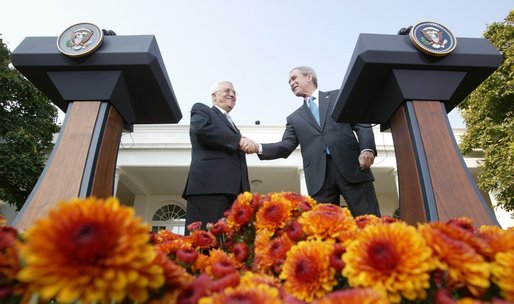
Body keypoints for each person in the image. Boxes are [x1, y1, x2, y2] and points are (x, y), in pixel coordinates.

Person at [244, 66, 381, 216]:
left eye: (294, 78)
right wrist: (258, 147)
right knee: (324, 228)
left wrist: (367, 149)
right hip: (319, 179)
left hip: (352, 167)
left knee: (369, 220)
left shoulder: (338, 96)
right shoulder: (294, 118)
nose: (291, 83)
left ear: (309, 77)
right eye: (289, 81)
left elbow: (361, 122)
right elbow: (286, 146)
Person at [183, 81, 257, 233]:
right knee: (203, 243)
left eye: (234, 92)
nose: (232, 94)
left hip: (234, 194)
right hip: (209, 189)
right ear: (214, 96)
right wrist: (238, 140)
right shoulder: (202, 110)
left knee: (226, 246)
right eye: (227, 91)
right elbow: (201, 129)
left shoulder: (232, 124)